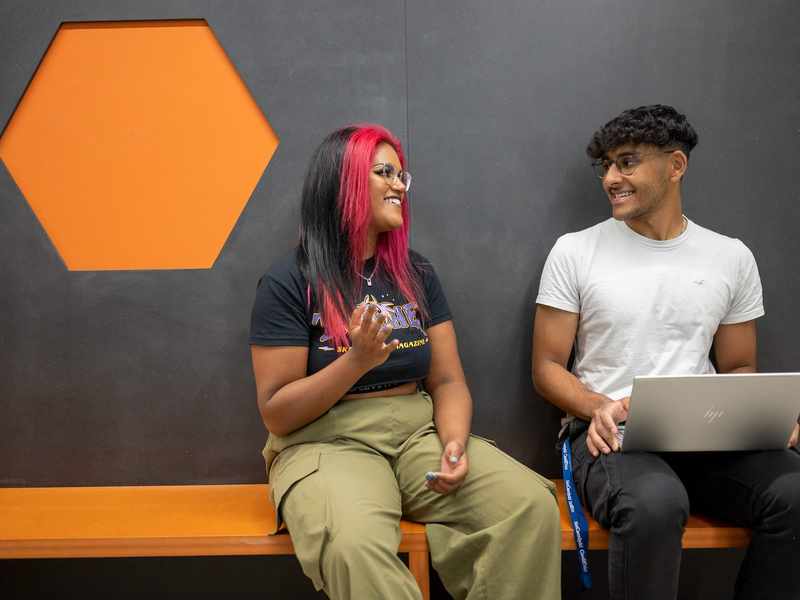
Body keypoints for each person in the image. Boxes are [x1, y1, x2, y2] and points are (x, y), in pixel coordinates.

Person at [250, 124, 560, 600]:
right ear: (343, 183)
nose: (399, 185)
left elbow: (449, 379)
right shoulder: (290, 280)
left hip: (417, 434)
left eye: (401, 175)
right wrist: (356, 362)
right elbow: (277, 410)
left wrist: (454, 444)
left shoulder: (415, 273)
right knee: (354, 546)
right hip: (327, 442)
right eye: (383, 173)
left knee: (528, 504)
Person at [532, 104, 800, 600]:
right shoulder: (575, 251)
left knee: (795, 492)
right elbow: (547, 368)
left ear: (675, 165)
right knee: (655, 503)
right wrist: (597, 407)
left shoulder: (731, 257)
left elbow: (739, 366)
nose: (612, 177)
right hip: (610, 438)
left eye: (627, 162)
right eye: (606, 165)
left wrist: (766, 421)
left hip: (708, 439)